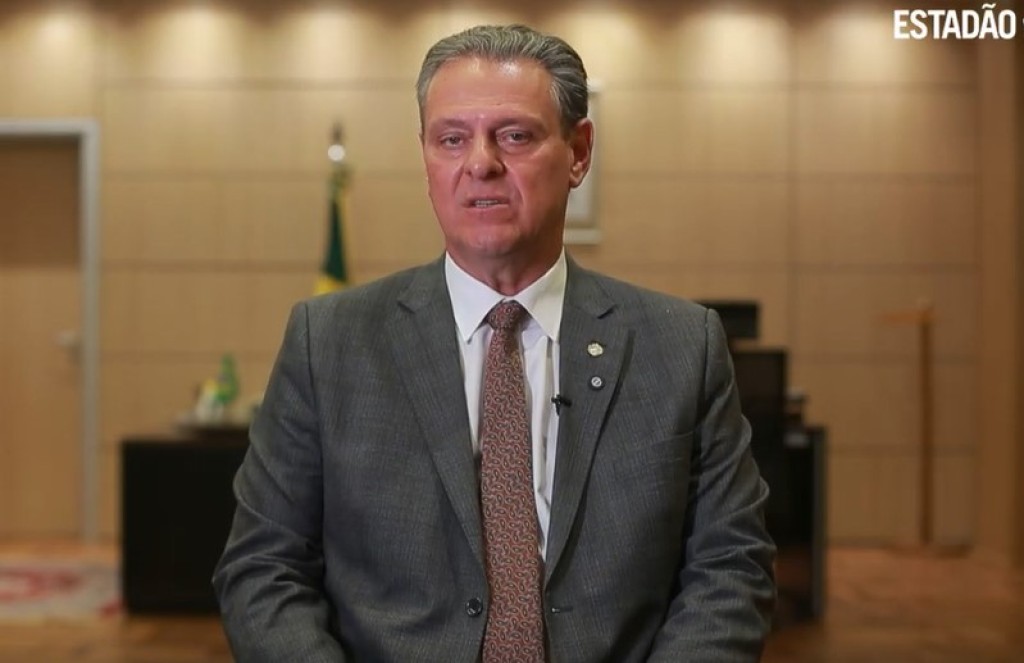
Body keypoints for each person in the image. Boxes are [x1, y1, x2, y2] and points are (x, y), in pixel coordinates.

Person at [214, 23, 775, 662]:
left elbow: (730, 567)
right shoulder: (329, 344)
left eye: (514, 135)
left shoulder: (682, 346)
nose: (480, 164)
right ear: (426, 158)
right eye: (451, 139)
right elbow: (263, 569)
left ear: (579, 152)